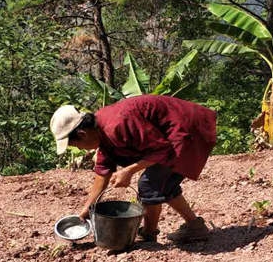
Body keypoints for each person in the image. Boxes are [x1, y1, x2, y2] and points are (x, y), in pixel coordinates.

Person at [50, 95, 217, 243]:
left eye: (76, 145)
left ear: (82, 134)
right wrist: (85, 212)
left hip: (187, 130)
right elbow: (103, 172)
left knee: (149, 185)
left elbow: (162, 150)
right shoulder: (101, 130)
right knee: (161, 183)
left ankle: (148, 235)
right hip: (171, 136)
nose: (79, 149)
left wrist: (128, 171)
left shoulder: (117, 125)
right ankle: (195, 227)